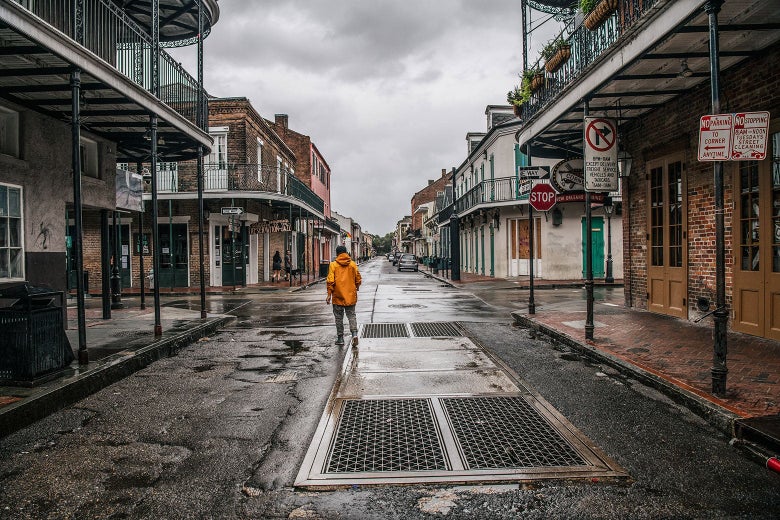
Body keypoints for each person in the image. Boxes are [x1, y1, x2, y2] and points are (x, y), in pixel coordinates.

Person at [326, 245, 362, 347]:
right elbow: (358, 278)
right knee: (351, 315)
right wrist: (357, 287)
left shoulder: (333, 265)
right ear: (346, 252)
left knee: (338, 318)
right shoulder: (353, 264)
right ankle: (354, 334)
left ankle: (340, 338)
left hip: (337, 297)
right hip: (350, 296)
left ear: (337, 254)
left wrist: (329, 294)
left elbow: (330, 281)